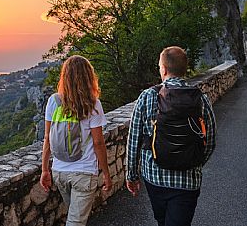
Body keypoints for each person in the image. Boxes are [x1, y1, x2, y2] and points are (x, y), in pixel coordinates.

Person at [126, 46, 216, 226]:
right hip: (188, 181)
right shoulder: (200, 99)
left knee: (162, 221)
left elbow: (134, 138)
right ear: (184, 69)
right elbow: (210, 141)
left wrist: (132, 175)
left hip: (155, 178)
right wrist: (193, 161)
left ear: (164, 69)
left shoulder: (147, 96)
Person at [40, 55, 112, 226]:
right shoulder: (93, 104)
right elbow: (98, 143)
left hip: (59, 172)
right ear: (89, 76)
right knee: (75, 222)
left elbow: (47, 138)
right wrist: (106, 174)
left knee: (74, 218)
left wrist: (45, 169)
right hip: (84, 173)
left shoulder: (54, 101)